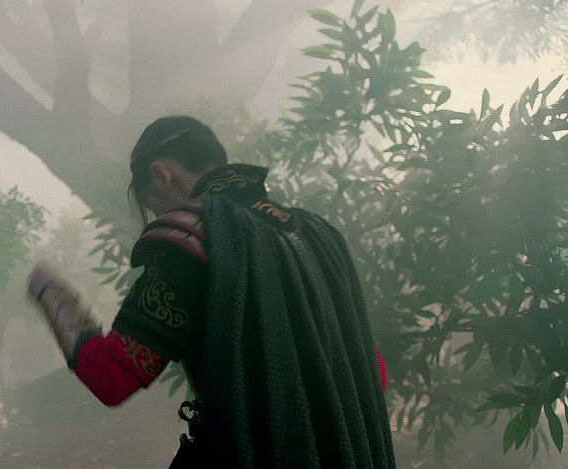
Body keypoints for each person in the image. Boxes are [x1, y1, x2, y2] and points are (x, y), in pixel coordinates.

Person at [27, 115, 396, 468]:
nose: (157, 215)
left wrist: (52, 296)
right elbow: (373, 374)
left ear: (161, 174)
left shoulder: (194, 240)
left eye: (151, 204)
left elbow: (111, 377)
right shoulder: (316, 233)